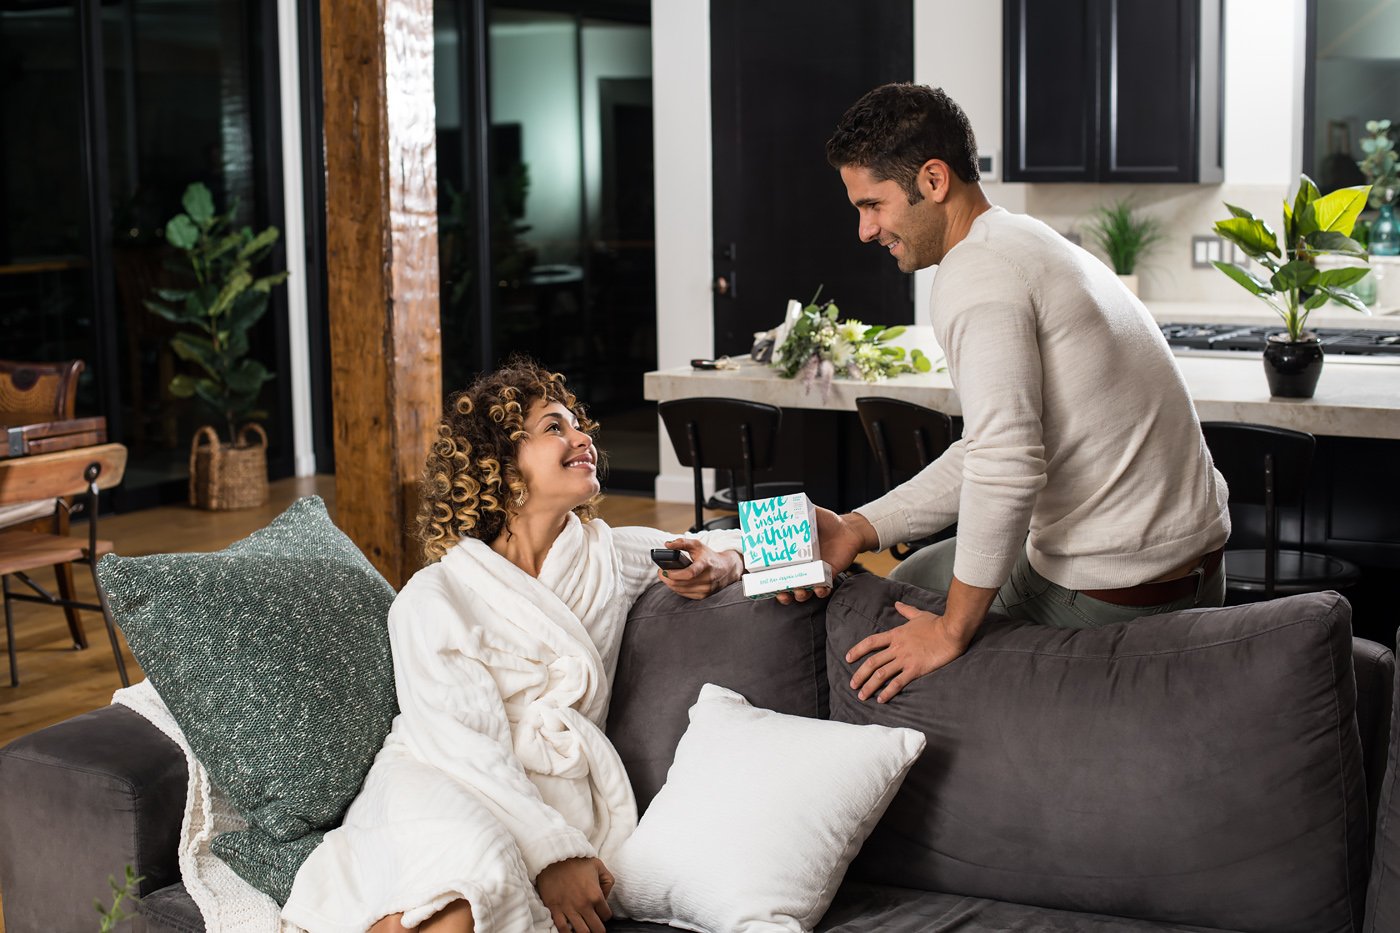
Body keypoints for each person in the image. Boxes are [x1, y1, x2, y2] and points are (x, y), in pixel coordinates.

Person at [789, 83, 1230, 704]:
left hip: (1115, 592)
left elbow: (1005, 466)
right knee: (914, 572)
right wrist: (857, 529)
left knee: (884, 614)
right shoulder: (1022, 239)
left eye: (873, 205)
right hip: (1189, 569)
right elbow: (992, 448)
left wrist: (950, 631)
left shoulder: (975, 275)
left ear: (933, 180)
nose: (865, 230)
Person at [280, 358, 745, 933]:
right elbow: (461, 746)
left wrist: (725, 561)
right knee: (478, 877)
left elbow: (735, 538)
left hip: (555, 795)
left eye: (578, 425)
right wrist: (554, 853)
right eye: (554, 427)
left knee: (479, 892)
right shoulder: (434, 597)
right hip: (441, 776)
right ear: (498, 464)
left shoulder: (607, 557)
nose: (582, 438)